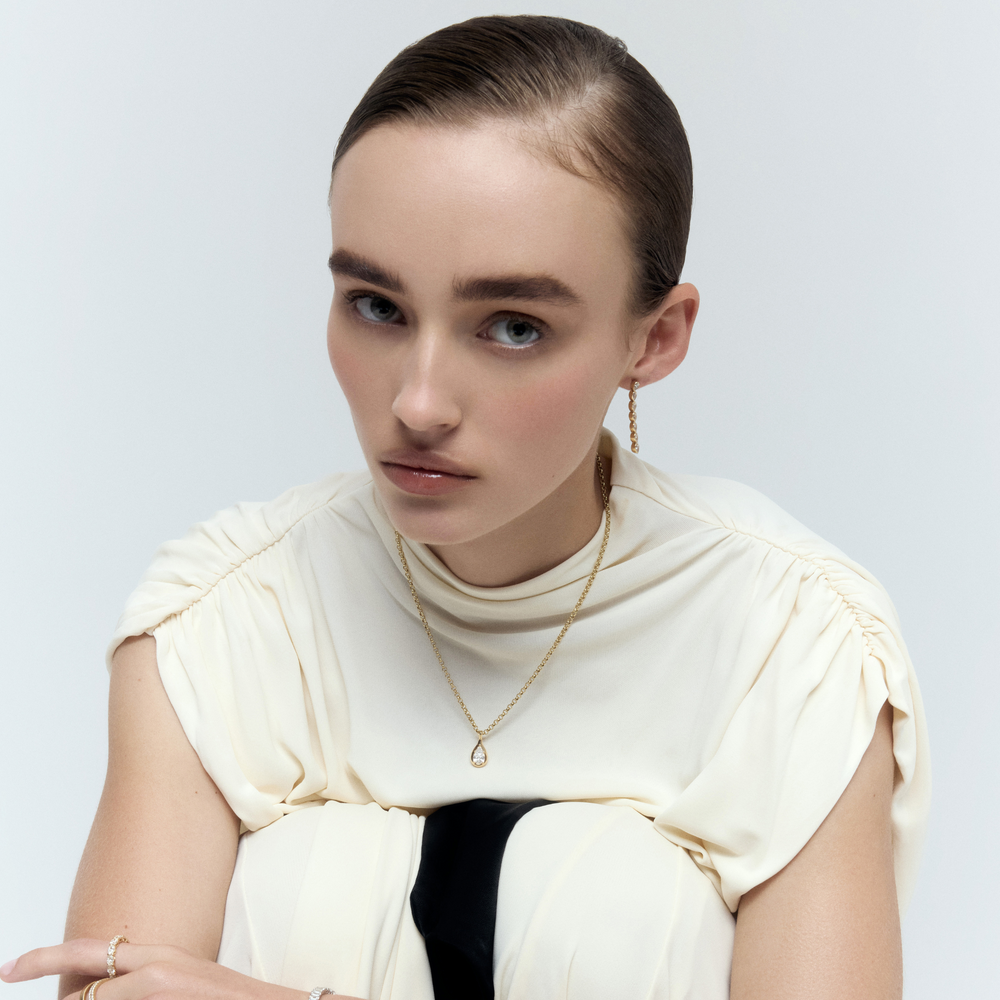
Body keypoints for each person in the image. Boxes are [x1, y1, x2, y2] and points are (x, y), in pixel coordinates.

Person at [0, 14, 929, 1000]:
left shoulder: (795, 646)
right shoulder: (218, 627)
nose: (418, 402)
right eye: (377, 306)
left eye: (513, 326)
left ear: (653, 339)